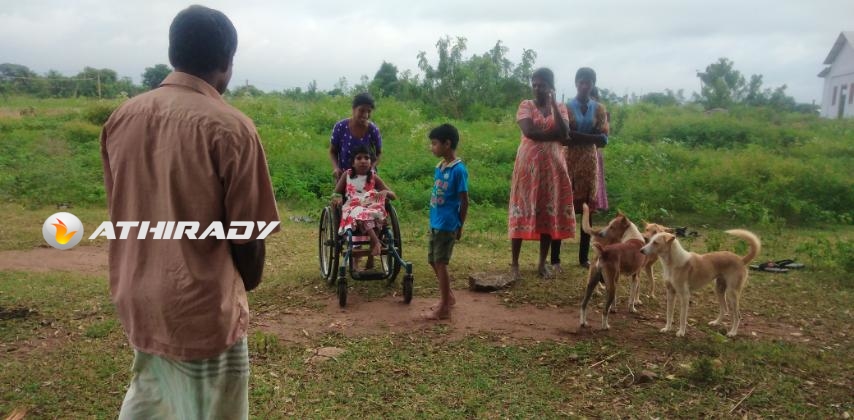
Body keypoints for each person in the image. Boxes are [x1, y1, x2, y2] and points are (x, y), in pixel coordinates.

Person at [99, 6, 280, 419]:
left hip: (138, 297)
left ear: (172, 53)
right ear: (227, 62)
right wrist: (248, 280)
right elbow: (248, 236)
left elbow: (122, 207)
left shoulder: (122, 118)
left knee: (151, 394)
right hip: (200, 307)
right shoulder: (232, 128)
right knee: (212, 408)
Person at [508, 67, 574, 280]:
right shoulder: (526, 105)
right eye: (534, 85)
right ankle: (514, 264)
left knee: (548, 211)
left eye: (542, 85)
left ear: (550, 87)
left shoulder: (560, 108)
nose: (537, 89)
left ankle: (542, 263)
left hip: (553, 169)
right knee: (521, 210)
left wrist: (554, 105)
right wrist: (555, 134)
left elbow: (565, 133)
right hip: (528, 169)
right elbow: (529, 132)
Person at [559, 67, 609, 268]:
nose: (584, 85)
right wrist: (592, 137)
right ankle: (555, 257)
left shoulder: (599, 109)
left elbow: (604, 140)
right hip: (569, 161)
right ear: (576, 83)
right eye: (581, 81)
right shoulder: (566, 108)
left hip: (589, 163)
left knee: (588, 209)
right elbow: (564, 138)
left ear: (593, 84)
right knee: (563, 206)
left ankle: (583, 257)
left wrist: (577, 135)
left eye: (588, 82)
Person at [425, 123, 468, 320]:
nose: (431, 147)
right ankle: (448, 297)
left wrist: (460, 225)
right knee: (432, 260)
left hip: (447, 224)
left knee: (440, 262)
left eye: (434, 143)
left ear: (447, 144)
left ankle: (444, 307)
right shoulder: (440, 167)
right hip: (436, 222)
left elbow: (464, 200)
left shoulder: (458, 170)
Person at [332, 145, 396, 258]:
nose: (363, 161)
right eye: (359, 158)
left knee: (373, 213)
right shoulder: (347, 175)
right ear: (353, 162)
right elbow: (336, 193)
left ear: (371, 162)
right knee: (361, 212)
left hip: (370, 206)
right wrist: (337, 198)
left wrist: (385, 192)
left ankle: (372, 253)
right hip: (353, 207)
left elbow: (393, 196)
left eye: (366, 158)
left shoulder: (373, 177)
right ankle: (376, 242)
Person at [329, 92, 382, 180]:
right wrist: (336, 168)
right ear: (353, 109)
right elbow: (332, 152)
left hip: (367, 178)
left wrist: (372, 168)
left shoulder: (373, 130)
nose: (365, 115)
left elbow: (379, 153)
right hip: (344, 178)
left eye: (369, 111)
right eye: (361, 110)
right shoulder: (340, 127)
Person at [590, 87, 610, 213]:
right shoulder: (576, 110)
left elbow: (604, 138)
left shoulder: (601, 112)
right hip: (579, 152)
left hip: (595, 152)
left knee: (593, 187)